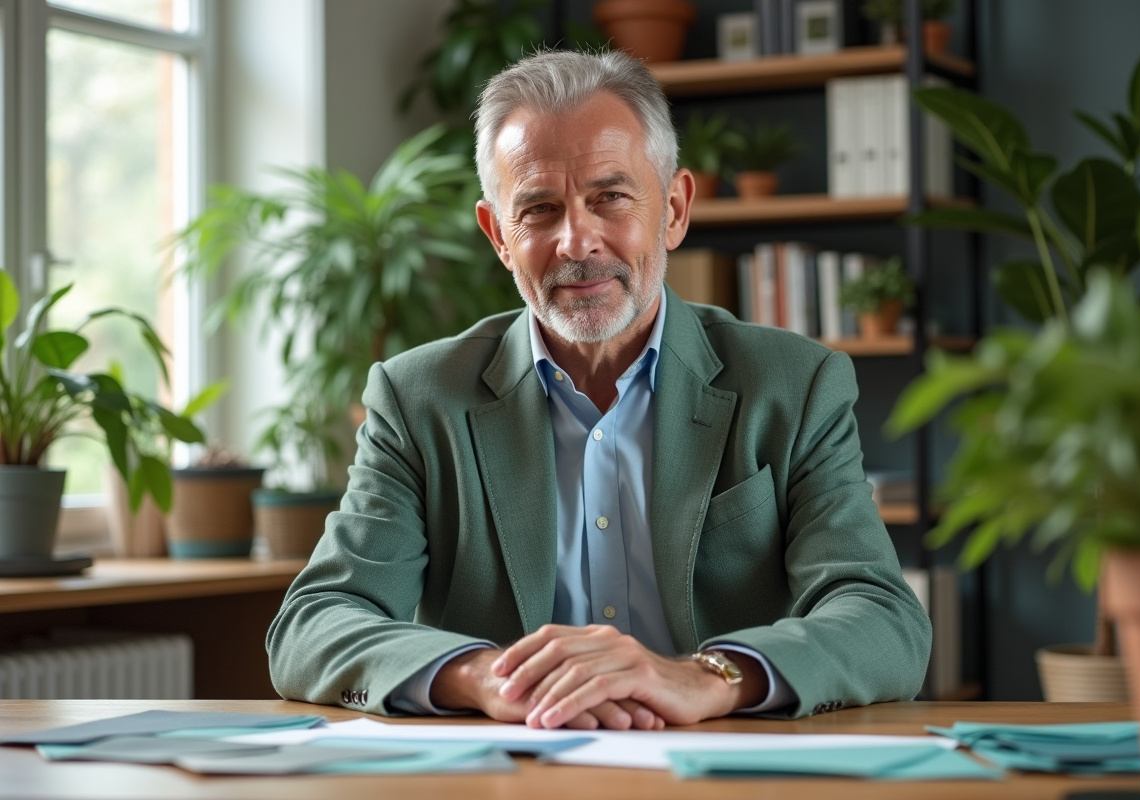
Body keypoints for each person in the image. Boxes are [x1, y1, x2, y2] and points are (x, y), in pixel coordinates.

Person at [267, 49, 931, 731]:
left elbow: (882, 619)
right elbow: (313, 624)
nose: (575, 241)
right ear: (499, 235)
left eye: (609, 198)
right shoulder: (418, 398)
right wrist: (489, 676)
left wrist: (710, 676)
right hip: (510, 774)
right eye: (539, 209)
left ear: (673, 210)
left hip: (719, 771)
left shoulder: (795, 385)